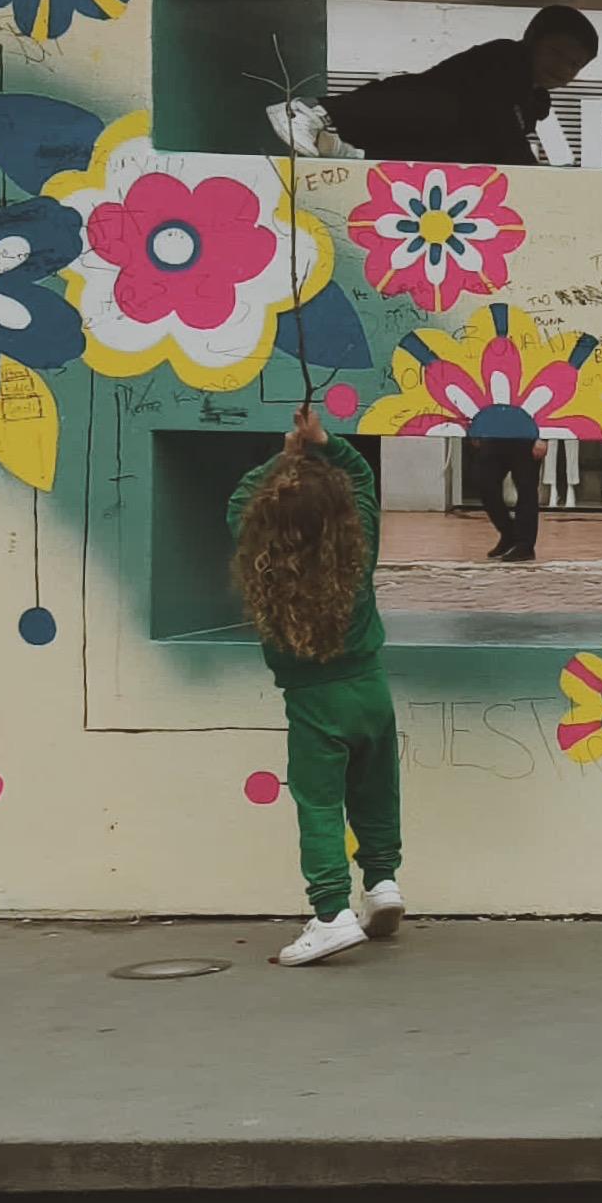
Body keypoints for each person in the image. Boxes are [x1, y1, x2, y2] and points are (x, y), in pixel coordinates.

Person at [230, 404, 405, 969]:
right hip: (372, 691)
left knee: (321, 805)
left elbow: (238, 503)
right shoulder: (359, 552)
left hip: (313, 705)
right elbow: (363, 480)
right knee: (376, 791)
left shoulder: (265, 566)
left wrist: (284, 458)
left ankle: (331, 915)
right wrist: (324, 441)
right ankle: (381, 882)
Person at [320, 3, 598, 166]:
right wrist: (538, 179)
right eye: (556, 53)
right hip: (392, 112)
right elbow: (501, 126)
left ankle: (354, 154)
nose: (562, 68)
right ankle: (316, 111)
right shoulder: (504, 59)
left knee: (471, 151)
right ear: (531, 40)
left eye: (574, 64)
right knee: (444, 107)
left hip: (398, 145)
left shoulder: (532, 101)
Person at [464, 431, 544, 564]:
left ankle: (525, 545)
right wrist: (476, 431)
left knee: (526, 491)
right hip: (494, 436)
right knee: (484, 483)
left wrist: (543, 437)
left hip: (526, 438)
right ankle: (508, 533)